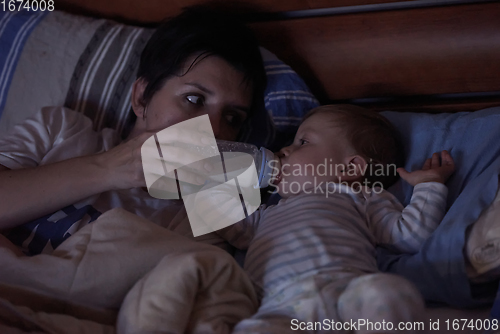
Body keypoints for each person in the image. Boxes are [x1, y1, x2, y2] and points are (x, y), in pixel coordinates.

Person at [0, 6, 266, 255]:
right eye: (194, 99)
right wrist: (110, 168)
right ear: (141, 97)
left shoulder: (198, 219)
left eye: (232, 118)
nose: (214, 129)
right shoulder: (60, 130)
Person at [194, 104, 456, 333]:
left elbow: (410, 235)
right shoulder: (266, 213)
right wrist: (200, 180)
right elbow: (229, 221)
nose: (284, 150)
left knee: (386, 292)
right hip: (279, 308)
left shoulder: (361, 197)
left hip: (345, 294)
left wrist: (428, 186)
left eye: (303, 142)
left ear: (350, 168)